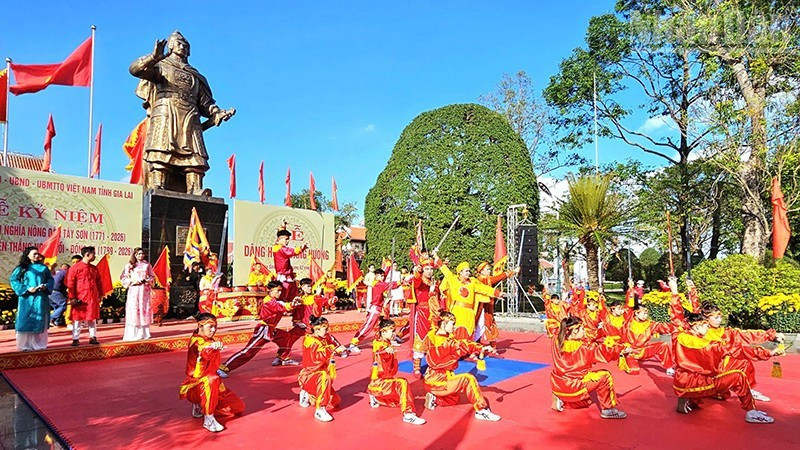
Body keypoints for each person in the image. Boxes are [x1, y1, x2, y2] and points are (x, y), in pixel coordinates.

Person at [129, 31, 235, 194]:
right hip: (167, 112)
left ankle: (195, 188)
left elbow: (205, 103)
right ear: (170, 46)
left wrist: (217, 112)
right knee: (162, 150)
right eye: (179, 43)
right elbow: (135, 70)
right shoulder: (161, 66)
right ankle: (158, 185)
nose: (183, 47)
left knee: (195, 156)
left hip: (190, 116)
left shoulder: (194, 75)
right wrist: (154, 57)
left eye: (186, 45)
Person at [673, 312, 782, 423]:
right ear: (697, 326)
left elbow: (676, 314)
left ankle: (691, 399)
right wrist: (768, 353)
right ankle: (751, 411)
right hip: (695, 381)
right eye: (707, 325)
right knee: (738, 376)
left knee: (740, 363)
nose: (709, 328)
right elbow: (734, 350)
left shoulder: (680, 335)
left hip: (687, 379)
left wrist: (770, 336)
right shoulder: (703, 343)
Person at [423, 311, 501, 421]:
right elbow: (462, 345)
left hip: (431, 380)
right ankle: (481, 410)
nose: (454, 327)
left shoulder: (433, 335)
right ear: (444, 324)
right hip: (438, 381)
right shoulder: (445, 342)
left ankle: (434, 398)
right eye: (452, 324)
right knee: (468, 379)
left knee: (454, 399)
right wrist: (480, 347)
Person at [701, 301, 784, 402]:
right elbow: (738, 350)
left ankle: (748, 389)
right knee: (740, 360)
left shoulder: (724, 331)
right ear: (706, 318)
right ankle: (746, 394)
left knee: (744, 362)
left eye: (720, 317)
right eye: (716, 318)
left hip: (722, 366)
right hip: (710, 372)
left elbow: (746, 335)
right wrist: (767, 353)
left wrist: (770, 335)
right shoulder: (704, 334)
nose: (719, 320)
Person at [550, 316, 630, 419]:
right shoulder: (585, 348)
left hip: (558, 384)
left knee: (586, 401)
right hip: (574, 385)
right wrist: (621, 349)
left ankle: (560, 398)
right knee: (605, 376)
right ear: (574, 331)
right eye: (583, 329)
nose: (585, 331)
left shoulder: (555, 340)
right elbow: (603, 353)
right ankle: (608, 410)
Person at [179, 313, 244, 433]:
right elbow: (203, 350)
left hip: (212, 385)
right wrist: (212, 347)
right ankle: (208, 417)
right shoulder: (196, 341)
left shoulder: (209, 339)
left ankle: (200, 405)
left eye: (215, 327)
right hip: (196, 386)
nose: (213, 330)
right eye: (210, 327)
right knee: (211, 379)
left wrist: (213, 345)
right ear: (200, 325)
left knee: (238, 407)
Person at [218, 281, 294, 377]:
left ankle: (282, 358)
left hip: (271, 329)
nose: (279, 293)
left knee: (285, 336)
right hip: (264, 330)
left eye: (280, 291)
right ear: (270, 291)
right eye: (277, 291)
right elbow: (279, 307)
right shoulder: (269, 301)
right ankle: (224, 367)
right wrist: (291, 305)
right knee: (249, 351)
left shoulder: (276, 300)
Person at [367, 318, 426, 425]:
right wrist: (385, 350)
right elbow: (380, 350)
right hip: (379, 383)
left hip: (385, 382)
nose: (394, 333)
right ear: (383, 331)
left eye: (394, 330)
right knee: (402, 383)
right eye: (392, 331)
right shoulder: (379, 344)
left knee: (398, 401)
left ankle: (376, 397)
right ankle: (408, 414)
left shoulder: (386, 343)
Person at [298, 315, 347, 422]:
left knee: (336, 402)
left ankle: (307, 392)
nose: (327, 331)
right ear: (316, 329)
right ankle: (320, 409)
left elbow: (331, 341)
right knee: (325, 377)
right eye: (325, 328)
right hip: (311, 374)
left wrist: (338, 347)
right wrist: (333, 349)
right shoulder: (311, 341)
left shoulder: (322, 338)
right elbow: (317, 357)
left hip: (319, 372)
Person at [438, 259, 501, 341]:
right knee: (456, 333)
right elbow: (446, 271)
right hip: (457, 311)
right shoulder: (454, 281)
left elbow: (484, 289)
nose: (468, 273)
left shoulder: (472, 283)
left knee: (469, 333)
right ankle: (456, 351)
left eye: (469, 271)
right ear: (460, 272)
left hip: (469, 313)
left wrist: (497, 293)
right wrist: (437, 259)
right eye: (466, 271)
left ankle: (468, 351)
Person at [347, 269, 402, 354]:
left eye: (383, 276)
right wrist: (398, 282)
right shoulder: (378, 284)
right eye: (381, 275)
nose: (383, 277)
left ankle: (382, 342)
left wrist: (387, 267)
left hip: (379, 308)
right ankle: (353, 343)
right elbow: (390, 285)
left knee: (380, 327)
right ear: (377, 275)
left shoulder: (378, 283)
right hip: (374, 309)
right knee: (367, 326)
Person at [10, 247, 54, 351]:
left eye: (37, 254)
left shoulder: (43, 268)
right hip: (27, 298)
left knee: (39, 321)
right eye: (34, 254)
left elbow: (50, 279)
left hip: (40, 298)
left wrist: (46, 286)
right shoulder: (22, 268)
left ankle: (39, 345)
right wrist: (26, 289)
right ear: (28, 256)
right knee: (26, 320)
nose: (37, 256)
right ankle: (24, 346)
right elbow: (14, 280)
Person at [407, 258, 441, 376]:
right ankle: (416, 368)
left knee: (433, 340)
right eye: (427, 269)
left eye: (431, 269)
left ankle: (432, 366)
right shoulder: (419, 281)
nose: (429, 271)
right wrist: (418, 271)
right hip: (422, 313)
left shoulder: (434, 283)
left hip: (433, 314)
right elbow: (416, 280)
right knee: (420, 338)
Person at [619, 304, 675, 376]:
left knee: (663, 345)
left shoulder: (649, 324)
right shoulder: (627, 324)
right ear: (636, 313)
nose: (646, 316)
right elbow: (622, 338)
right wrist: (625, 348)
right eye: (644, 313)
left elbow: (663, 327)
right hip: (631, 352)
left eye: (646, 313)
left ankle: (669, 368)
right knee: (634, 371)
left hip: (643, 350)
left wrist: (676, 324)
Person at [474, 261, 519, 348]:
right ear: (481, 271)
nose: (489, 271)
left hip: (487, 305)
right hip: (482, 307)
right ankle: (482, 347)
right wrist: (512, 272)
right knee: (483, 324)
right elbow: (498, 278)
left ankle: (482, 346)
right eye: (487, 269)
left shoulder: (484, 279)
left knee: (484, 324)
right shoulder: (483, 279)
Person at [65, 246, 103, 346]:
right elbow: (70, 284)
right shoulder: (75, 268)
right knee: (77, 318)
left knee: (92, 317)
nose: (95, 256)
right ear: (87, 255)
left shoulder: (94, 268)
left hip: (92, 297)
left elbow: (99, 282)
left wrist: (100, 294)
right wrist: (72, 297)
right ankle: (75, 338)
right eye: (93, 254)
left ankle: (92, 336)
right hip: (79, 297)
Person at [121, 248, 155, 341]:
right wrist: (133, 281)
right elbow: (123, 278)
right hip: (134, 290)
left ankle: (144, 333)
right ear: (135, 255)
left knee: (144, 309)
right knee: (134, 309)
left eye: (142, 254)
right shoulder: (130, 265)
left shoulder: (147, 265)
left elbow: (152, 276)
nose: (141, 255)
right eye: (139, 254)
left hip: (144, 291)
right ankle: (133, 333)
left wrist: (148, 280)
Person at [272, 229, 308, 302]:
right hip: (284, 275)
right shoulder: (281, 249)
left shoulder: (277, 247)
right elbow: (291, 251)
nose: (287, 241)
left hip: (287, 275)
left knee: (292, 291)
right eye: (286, 239)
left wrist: (283, 226)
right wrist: (301, 249)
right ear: (280, 239)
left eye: (288, 239)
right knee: (285, 293)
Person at [49, 263, 70, 327]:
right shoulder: (65, 273)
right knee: (64, 304)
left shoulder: (57, 272)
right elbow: (68, 284)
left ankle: (56, 322)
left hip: (49, 292)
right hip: (56, 292)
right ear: (67, 268)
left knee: (57, 307)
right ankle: (51, 318)